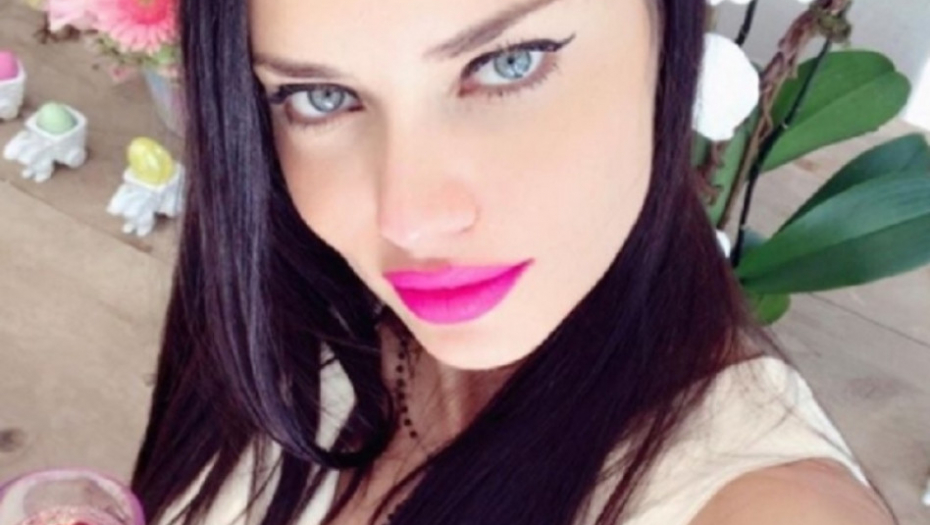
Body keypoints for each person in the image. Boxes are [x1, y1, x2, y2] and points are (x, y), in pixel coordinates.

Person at [130, 1, 898, 524]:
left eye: (508, 63)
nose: (410, 220)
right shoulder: (284, 292)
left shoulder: (770, 504)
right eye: (320, 96)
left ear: (669, 31)